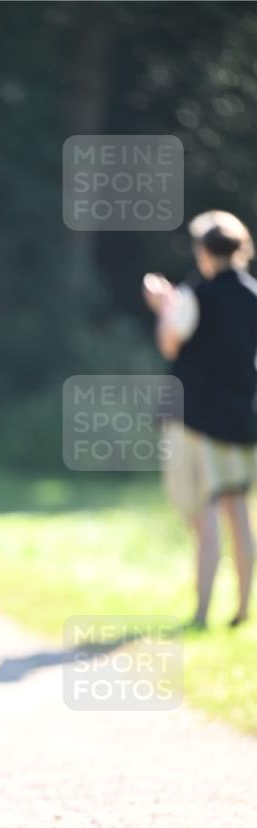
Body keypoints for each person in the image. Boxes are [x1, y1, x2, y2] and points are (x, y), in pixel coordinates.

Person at [142, 210, 257, 628]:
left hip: (195, 420)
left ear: (205, 251)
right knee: (239, 514)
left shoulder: (195, 294)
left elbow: (171, 344)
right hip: (242, 419)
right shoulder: (253, 294)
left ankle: (203, 612)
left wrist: (162, 307)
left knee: (204, 514)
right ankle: (243, 608)